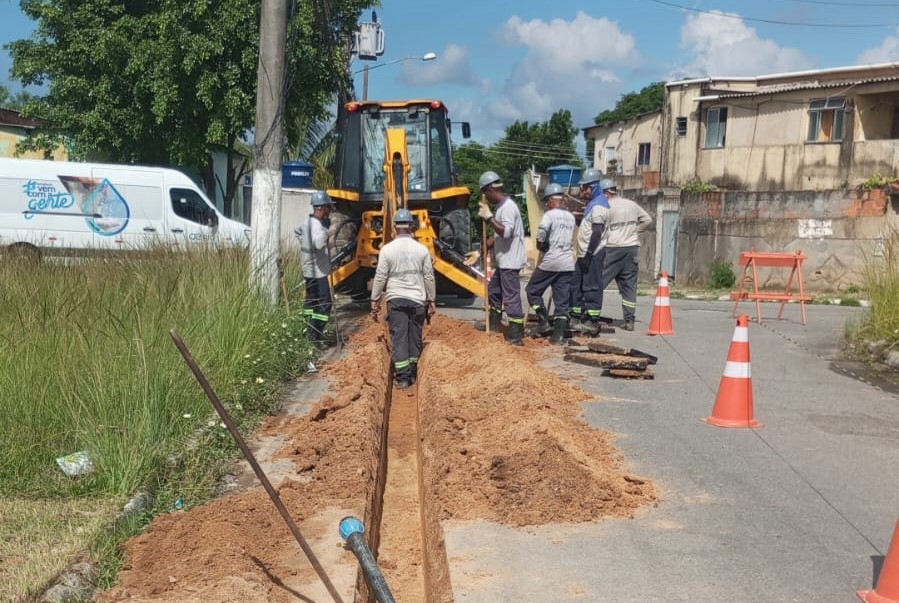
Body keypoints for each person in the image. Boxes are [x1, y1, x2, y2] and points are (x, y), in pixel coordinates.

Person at [370, 209, 437, 389]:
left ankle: (403, 378)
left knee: (399, 338)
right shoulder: (422, 250)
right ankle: (414, 372)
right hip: (417, 300)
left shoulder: (386, 250)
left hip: (396, 300)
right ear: (412, 226)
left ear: (394, 227)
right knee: (414, 337)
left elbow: (381, 276)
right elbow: (429, 278)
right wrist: (431, 299)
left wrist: (374, 298)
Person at [477, 170, 526, 346]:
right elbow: (496, 236)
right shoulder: (501, 208)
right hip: (504, 261)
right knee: (494, 292)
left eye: (485, 193)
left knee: (511, 297)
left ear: (490, 190)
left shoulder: (508, 208)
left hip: (510, 262)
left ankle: (515, 335)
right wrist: (481, 249)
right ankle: (495, 324)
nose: (485, 198)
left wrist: (489, 217)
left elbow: (505, 232)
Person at [524, 183, 576, 344]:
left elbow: (542, 233)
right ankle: (558, 337)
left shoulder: (549, 215)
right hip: (567, 262)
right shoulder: (571, 217)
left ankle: (544, 322)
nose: (547, 204)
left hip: (552, 260)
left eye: (547, 201)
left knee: (532, 290)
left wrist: (541, 245)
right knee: (561, 301)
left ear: (553, 200)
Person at [600, 179, 653, 331]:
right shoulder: (631, 204)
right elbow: (647, 220)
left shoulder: (606, 206)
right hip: (632, 248)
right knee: (629, 286)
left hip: (613, 249)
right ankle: (629, 321)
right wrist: (634, 231)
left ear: (606, 192)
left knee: (599, 282)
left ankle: (590, 314)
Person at [295, 191, 335, 367]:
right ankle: (315, 336)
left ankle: (309, 334)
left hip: (308, 270)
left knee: (311, 304)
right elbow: (319, 243)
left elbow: (297, 232)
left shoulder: (306, 223)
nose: (329, 211)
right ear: (323, 208)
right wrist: (326, 229)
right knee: (324, 304)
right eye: (328, 208)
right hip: (318, 272)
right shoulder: (318, 226)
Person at [569, 167, 609, 333]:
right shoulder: (592, 205)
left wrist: (589, 255)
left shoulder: (599, 207)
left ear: (593, 187)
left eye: (585, 188)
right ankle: (575, 316)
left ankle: (592, 321)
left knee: (592, 286)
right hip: (583, 253)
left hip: (592, 253)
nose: (582, 191)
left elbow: (597, 233)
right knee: (576, 284)